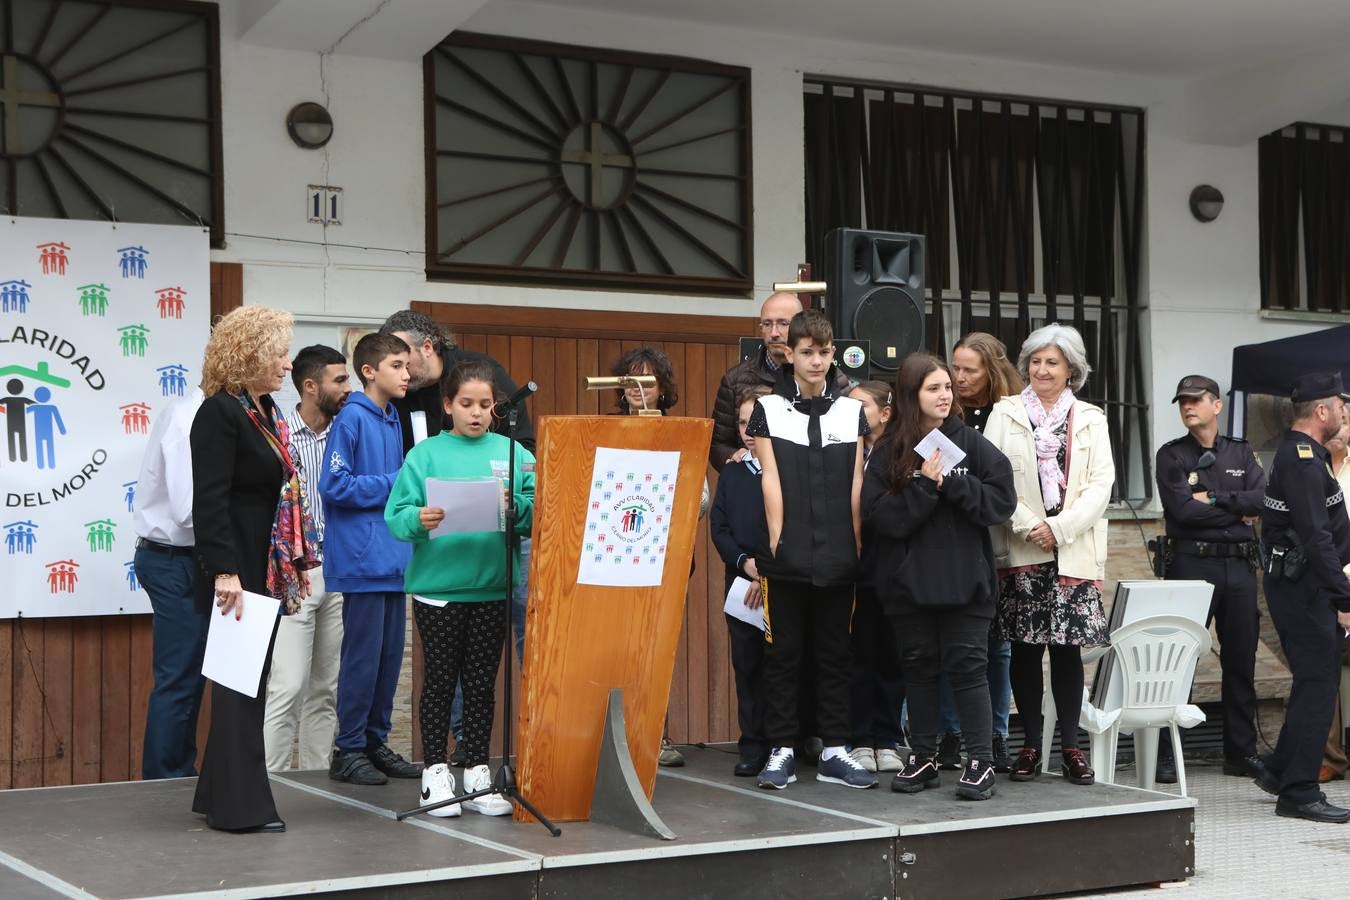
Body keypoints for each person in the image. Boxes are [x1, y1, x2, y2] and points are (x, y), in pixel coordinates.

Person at [382, 309, 533, 767]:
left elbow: (535, 510)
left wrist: (515, 506)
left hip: (491, 584)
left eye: (485, 405)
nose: (476, 413)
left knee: (484, 683)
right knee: (441, 680)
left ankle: (476, 765)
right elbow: (397, 514)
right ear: (447, 405)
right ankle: (436, 769)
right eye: (466, 404)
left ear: (496, 408)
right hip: (439, 588)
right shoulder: (424, 455)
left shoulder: (514, 451)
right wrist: (418, 520)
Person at [863, 355, 1016, 801]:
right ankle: (924, 757)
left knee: (970, 671)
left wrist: (952, 483)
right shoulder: (890, 450)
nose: (945, 395)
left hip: (966, 585)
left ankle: (980, 763)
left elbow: (1000, 504)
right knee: (919, 671)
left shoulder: (973, 444)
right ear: (912, 395)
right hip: (908, 588)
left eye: (948, 387)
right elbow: (880, 519)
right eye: (933, 388)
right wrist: (924, 487)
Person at [190, 305, 318, 833]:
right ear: (249, 354)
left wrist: (297, 559)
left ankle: (217, 794)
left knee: (245, 684)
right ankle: (240, 810)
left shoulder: (262, 411)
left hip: (263, 568)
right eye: (280, 353)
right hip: (236, 572)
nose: (288, 365)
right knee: (240, 689)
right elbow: (210, 499)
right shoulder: (220, 412)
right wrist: (223, 570)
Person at [745, 308, 875, 791]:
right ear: (790, 354)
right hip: (788, 557)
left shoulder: (852, 412)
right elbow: (771, 483)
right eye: (806, 353)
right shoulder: (768, 411)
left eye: (824, 353)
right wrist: (777, 544)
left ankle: (836, 750)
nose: (816, 362)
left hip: (841, 557)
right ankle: (780, 750)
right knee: (783, 656)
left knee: (835, 653)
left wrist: (856, 544)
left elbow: (857, 485)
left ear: (832, 354)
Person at [983, 323, 1114, 787]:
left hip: (1072, 549)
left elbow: (1101, 487)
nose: (1042, 369)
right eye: (1036, 361)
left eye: (1052, 362)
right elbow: (993, 477)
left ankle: (1071, 749)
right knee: (1023, 650)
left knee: (1066, 652)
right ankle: (1031, 746)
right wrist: (1030, 526)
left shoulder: (1092, 418)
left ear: (1072, 369)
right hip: (1022, 547)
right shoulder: (1005, 413)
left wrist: (1058, 529)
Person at [1153, 374, 1266, 784]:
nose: (1187, 407)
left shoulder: (1241, 451)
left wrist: (1218, 500)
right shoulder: (1173, 456)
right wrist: (1239, 513)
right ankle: (1166, 754)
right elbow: (1182, 512)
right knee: (1178, 661)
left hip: (1238, 567)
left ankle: (1241, 753)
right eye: (1182, 401)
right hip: (1190, 566)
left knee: (1241, 661)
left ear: (1216, 405)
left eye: (1196, 400)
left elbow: (1262, 500)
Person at [321, 333, 420, 786]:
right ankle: (350, 748)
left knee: (387, 659)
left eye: (407, 366)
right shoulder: (351, 419)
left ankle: (375, 742)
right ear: (369, 371)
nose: (407, 374)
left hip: (393, 560)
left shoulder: (394, 418)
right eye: (397, 366)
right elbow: (335, 486)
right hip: (362, 561)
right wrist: (396, 483)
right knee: (361, 658)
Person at [1255, 372, 1350, 823]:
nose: (1345, 414)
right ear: (1322, 411)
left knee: (1314, 680)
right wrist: (1345, 598)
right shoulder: (1303, 460)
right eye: (1342, 407)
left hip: (1306, 586)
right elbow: (1316, 537)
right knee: (1318, 685)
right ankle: (1299, 791)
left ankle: (1280, 770)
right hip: (1306, 587)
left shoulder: (1303, 455)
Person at [610, 346, 708, 767]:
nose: (636, 388)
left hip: (666, 558)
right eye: (629, 380)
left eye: (646, 380)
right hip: (612, 554)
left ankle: (655, 735)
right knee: (613, 647)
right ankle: (610, 736)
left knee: (656, 646)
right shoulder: (604, 429)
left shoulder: (682, 432)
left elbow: (702, 500)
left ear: (664, 388)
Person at [263, 345, 352, 772]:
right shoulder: (276, 432)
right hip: (295, 575)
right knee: (287, 685)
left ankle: (317, 781)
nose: (348, 388)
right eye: (339, 380)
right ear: (310, 385)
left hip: (338, 572)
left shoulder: (345, 432)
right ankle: (272, 781)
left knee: (326, 689)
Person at [939, 332, 1025, 772]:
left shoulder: (1008, 415)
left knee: (997, 647)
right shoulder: (946, 412)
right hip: (957, 544)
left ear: (991, 370)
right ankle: (951, 734)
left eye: (969, 369)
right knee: (956, 646)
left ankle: (996, 734)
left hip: (1001, 543)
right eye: (955, 367)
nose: (959, 377)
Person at [135, 377, 207, 780]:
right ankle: (164, 780)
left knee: (191, 676)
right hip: (174, 559)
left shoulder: (194, 413)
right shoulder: (188, 418)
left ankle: (180, 771)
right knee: (179, 677)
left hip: (186, 559)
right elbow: (187, 509)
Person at [710, 292, 852, 472]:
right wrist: (733, 456)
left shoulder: (834, 381)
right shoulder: (735, 380)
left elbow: (850, 444)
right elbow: (717, 444)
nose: (774, 333)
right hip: (754, 483)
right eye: (767, 324)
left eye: (784, 323)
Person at [710, 383, 773, 776]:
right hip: (741, 584)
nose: (749, 430)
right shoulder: (733, 475)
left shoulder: (789, 469)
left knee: (784, 665)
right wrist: (744, 563)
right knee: (748, 665)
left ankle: (795, 738)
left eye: (757, 422)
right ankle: (753, 743)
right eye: (743, 423)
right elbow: (720, 526)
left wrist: (766, 570)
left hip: (781, 579)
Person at [847, 380, 907, 775]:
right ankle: (858, 737)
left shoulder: (900, 454)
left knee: (891, 655)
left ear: (885, 413)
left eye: (861, 407)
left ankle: (887, 737)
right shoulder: (843, 450)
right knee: (857, 656)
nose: (851, 414)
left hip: (890, 567)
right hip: (850, 566)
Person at [1320, 421, 1350, 784]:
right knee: (1320, 664)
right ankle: (1329, 758)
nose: (1341, 427)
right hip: (1323, 584)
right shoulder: (1308, 467)